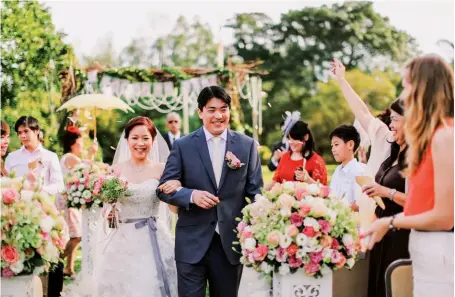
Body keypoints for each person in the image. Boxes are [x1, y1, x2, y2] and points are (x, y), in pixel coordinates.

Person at [157, 86, 263, 297]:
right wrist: (190, 195)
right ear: (200, 112)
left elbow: (256, 192)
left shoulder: (246, 145)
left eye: (223, 109)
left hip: (229, 244)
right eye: (211, 109)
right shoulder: (183, 145)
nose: (218, 115)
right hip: (191, 243)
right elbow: (163, 190)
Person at [364, 55, 454, 297]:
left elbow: (445, 217)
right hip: (425, 252)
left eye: (406, 85)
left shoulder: (445, 136)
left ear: (423, 87)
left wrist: (390, 222)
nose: (404, 95)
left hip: (440, 253)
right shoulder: (430, 137)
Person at [330, 58, 410, 297]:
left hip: (403, 232)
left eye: (396, 119)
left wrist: (386, 192)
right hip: (379, 227)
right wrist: (342, 80)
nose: (390, 124)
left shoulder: (420, 154)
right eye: (391, 119)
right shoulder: (386, 142)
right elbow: (362, 111)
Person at [56, 126, 98, 278]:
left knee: (74, 234)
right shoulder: (70, 157)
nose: (82, 146)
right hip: (67, 201)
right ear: (73, 143)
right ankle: (54, 263)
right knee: (76, 235)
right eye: (80, 143)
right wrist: (92, 153)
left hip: (71, 200)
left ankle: (69, 268)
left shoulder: (70, 157)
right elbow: (86, 170)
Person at [265, 113, 327, 190]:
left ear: (306, 137)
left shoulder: (316, 161)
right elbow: (275, 181)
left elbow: (323, 190)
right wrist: (258, 194)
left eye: (295, 138)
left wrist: (308, 179)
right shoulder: (285, 157)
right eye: (289, 138)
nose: (291, 142)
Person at [5, 116, 64, 195]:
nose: (22, 136)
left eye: (26, 131)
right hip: (17, 205)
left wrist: (40, 189)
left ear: (36, 131)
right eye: (19, 133)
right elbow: (4, 185)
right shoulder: (11, 157)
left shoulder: (51, 156)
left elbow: (59, 185)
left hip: (42, 204)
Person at [329, 125, 365, 211]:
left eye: (336, 144)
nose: (333, 149)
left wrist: (336, 210)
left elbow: (360, 204)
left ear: (350, 145)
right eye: (332, 146)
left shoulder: (359, 172)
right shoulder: (337, 171)